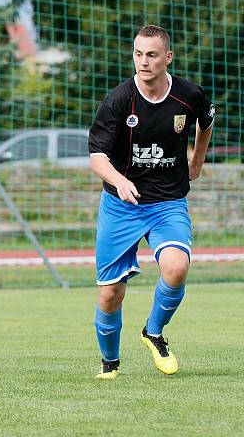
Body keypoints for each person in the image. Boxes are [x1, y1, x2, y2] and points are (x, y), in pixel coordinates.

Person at [88, 24, 214, 379]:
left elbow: (206, 122)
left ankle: (154, 333)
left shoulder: (188, 95)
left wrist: (197, 160)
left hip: (167, 202)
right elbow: (96, 157)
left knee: (176, 268)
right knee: (111, 294)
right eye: (138, 54)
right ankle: (110, 365)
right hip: (120, 205)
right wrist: (119, 180)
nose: (143, 62)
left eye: (152, 55)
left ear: (167, 58)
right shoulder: (118, 100)